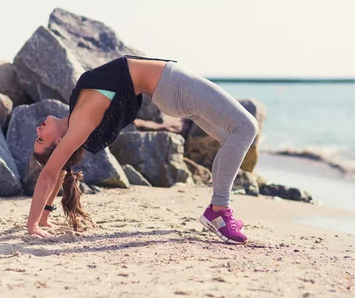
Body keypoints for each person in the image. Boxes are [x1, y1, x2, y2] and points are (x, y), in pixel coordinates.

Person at [26, 55, 258, 245]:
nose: (38, 130)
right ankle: (219, 208)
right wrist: (33, 225)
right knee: (246, 126)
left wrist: (45, 216)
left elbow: (59, 170)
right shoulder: (81, 121)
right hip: (171, 84)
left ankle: (217, 210)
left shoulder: (76, 110)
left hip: (169, 87)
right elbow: (50, 173)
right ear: (58, 143)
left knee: (230, 139)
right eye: (40, 139)